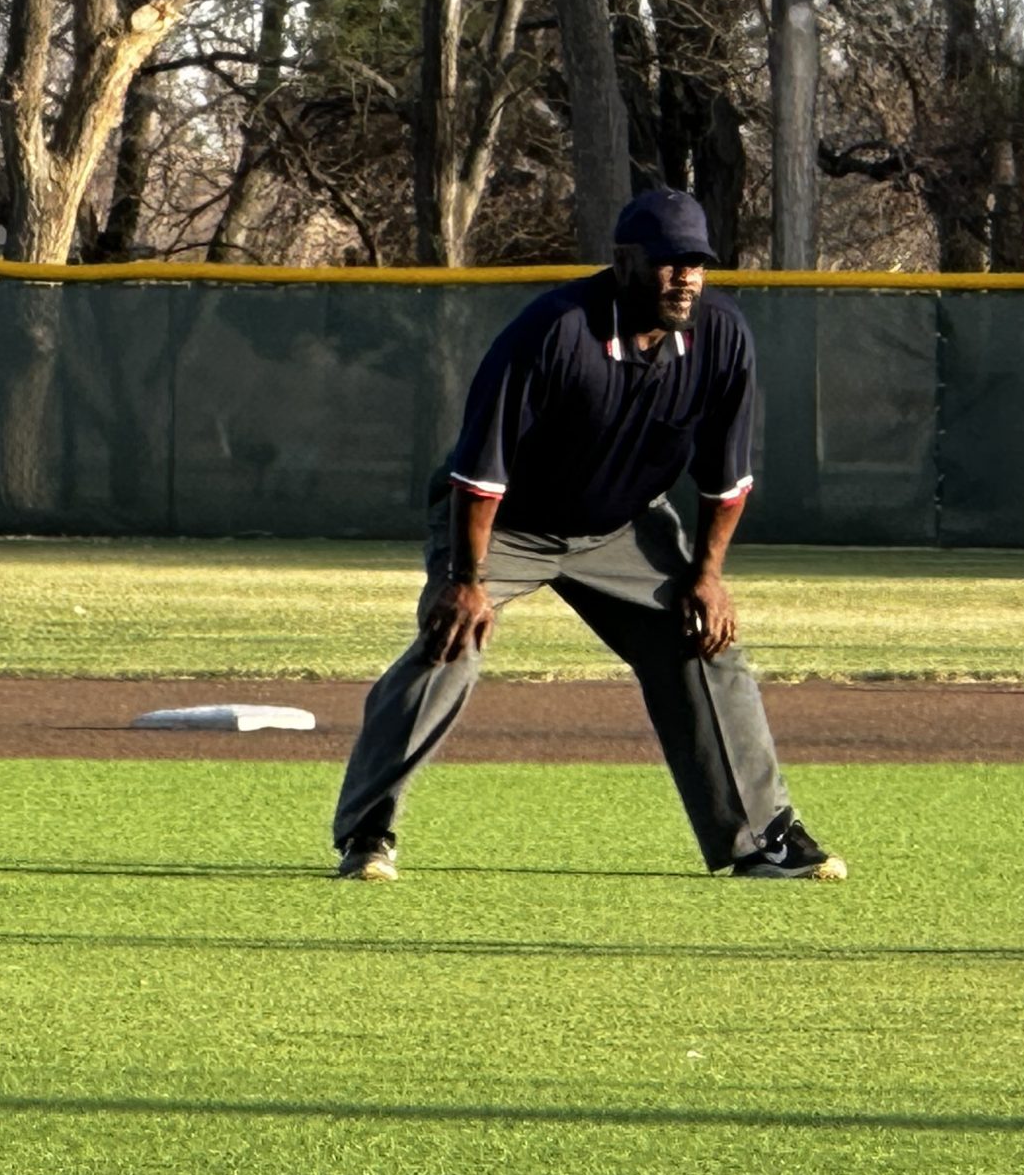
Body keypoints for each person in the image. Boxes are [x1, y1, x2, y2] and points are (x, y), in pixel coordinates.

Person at [331, 188, 845, 883]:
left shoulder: (721, 335)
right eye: (669, 261)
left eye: (696, 261)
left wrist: (707, 575)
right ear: (625, 261)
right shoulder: (554, 330)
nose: (686, 276)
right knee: (450, 642)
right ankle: (368, 830)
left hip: (622, 526)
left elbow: (725, 481)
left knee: (705, 642)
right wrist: (466, 581)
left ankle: (762, 839)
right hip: (506, 523)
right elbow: (479, 475)